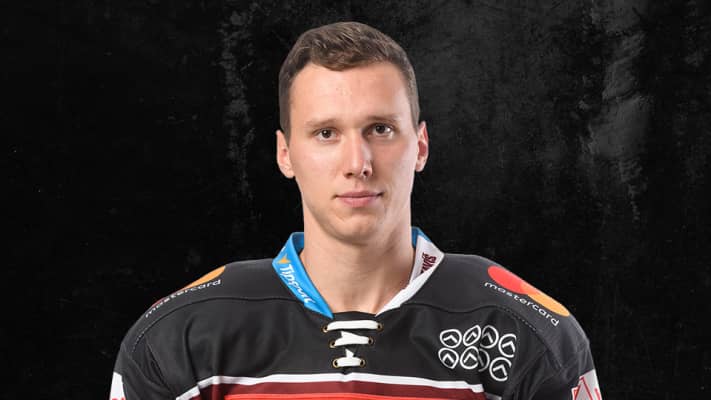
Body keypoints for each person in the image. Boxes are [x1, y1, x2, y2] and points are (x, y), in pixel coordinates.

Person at [110, 21, 602, 400]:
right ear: (285, 154)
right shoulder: (180, 334)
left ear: (421, 145)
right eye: (326, 133)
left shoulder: (525, 330)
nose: (357, 163)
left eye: (380, 129)